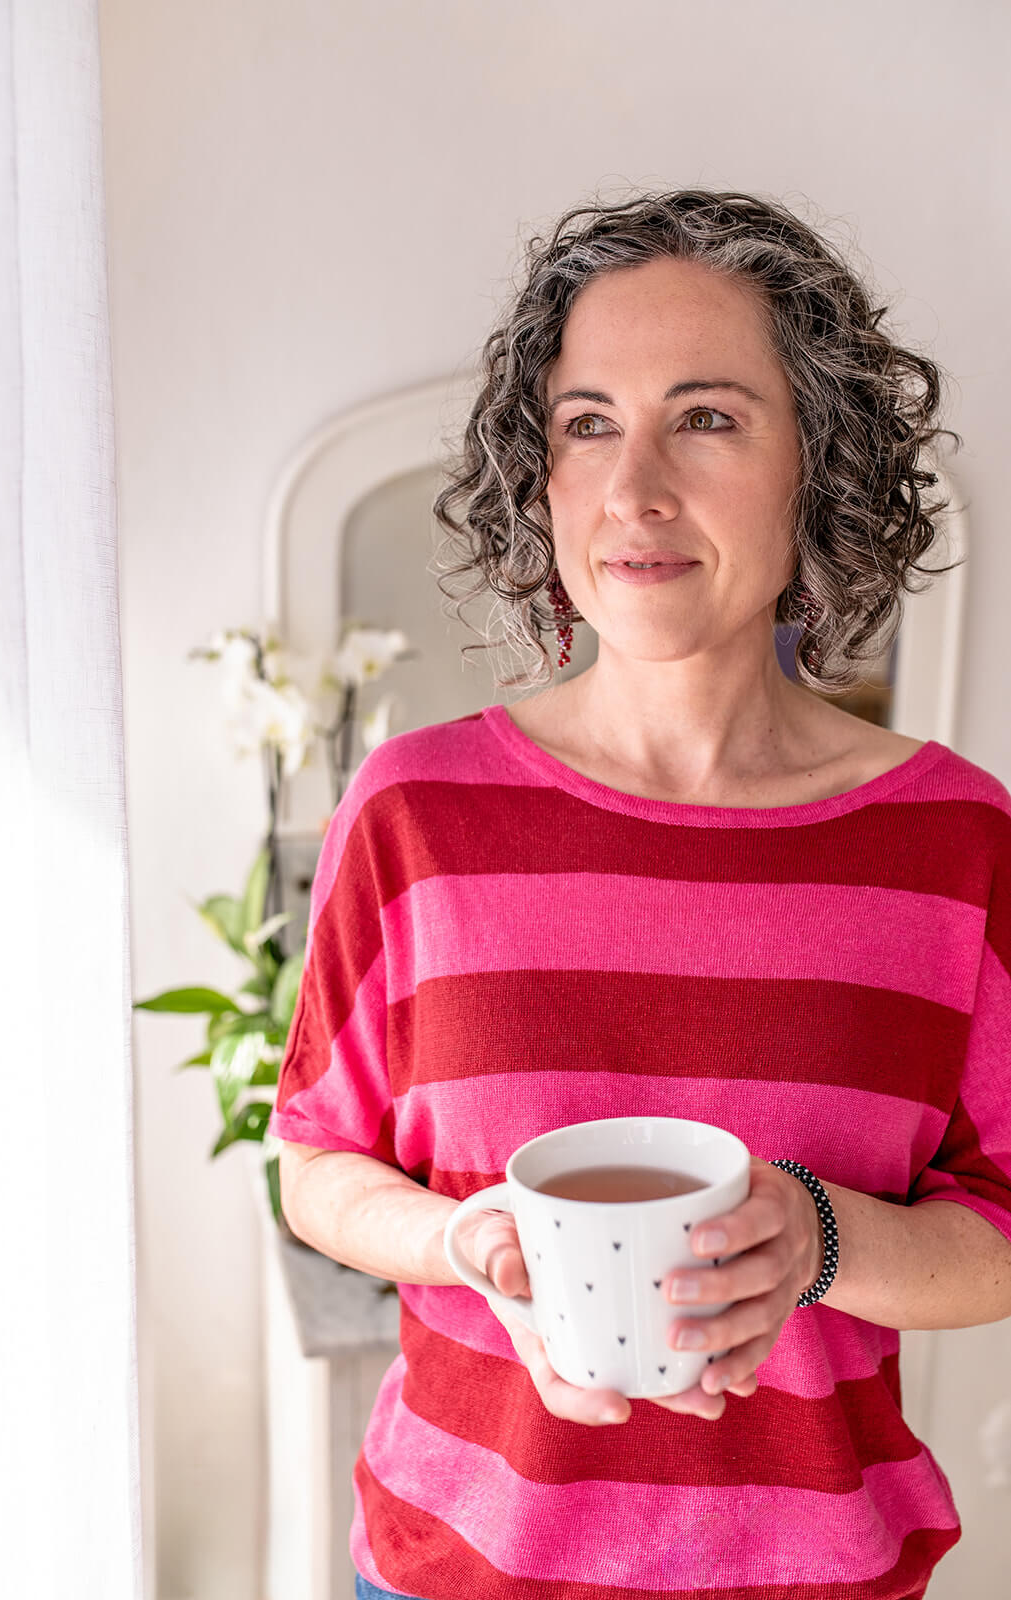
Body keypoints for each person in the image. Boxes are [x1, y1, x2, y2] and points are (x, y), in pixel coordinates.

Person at [270, 189, 1011, 1600]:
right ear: (535, 474)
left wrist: (825, 1240)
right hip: (450, 1569)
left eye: (710, 417)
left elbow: (1005, 1224)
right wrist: (459, 1241)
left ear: (821, 464)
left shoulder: (957, 844)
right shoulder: (418, 814)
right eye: (586, 422)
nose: (633, 490)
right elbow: (315, 1161)